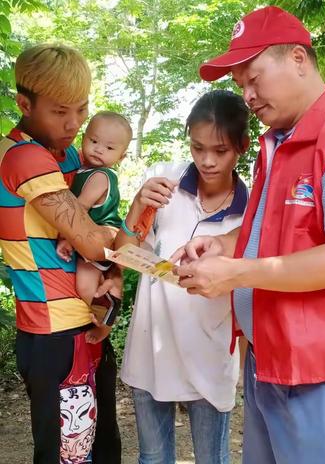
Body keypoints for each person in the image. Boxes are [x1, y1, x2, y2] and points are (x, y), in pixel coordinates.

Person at [172, 6, 325, 464]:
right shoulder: (278, 144)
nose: (247, 96)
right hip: (267, 358)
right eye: (240, 86)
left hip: (321, 368)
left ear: (298, 58)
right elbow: (272, 235)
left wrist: (235, 273)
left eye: (254, 78)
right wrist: (222, 245)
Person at [0, 44, 121, 464]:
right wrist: (132, 223)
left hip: (84, 324)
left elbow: (100, 243)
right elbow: (91, 242)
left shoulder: (68, 153)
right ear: (24, 103)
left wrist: (113, 283)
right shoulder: (23, 156)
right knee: (68, 454)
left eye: (82, 111)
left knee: (100, 444)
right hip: (53, 333)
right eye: (59, 111)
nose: (73, 124)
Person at [116, 89, 250, 464]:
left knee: (213, 459)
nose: (206, 160)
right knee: (153, 459)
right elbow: (128, 250)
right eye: (197, 147)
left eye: (220, 151)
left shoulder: (250, 212)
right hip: (150, 348)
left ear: (242, 146)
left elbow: (247, 292)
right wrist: (138, 206)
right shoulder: (164, 181)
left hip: (209, 355)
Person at [56, 111, 132, 344]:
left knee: (86, 285)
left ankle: (106, 322)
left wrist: (68, 239)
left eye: (109, 148)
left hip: (98, 237)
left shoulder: (100, 175)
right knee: (92, 282)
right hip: (90, 234)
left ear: (121, 156)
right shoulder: (85, 170)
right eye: (94, 141)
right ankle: (105, 306)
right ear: (83, 138)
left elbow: (80, 207)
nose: (99, 149)